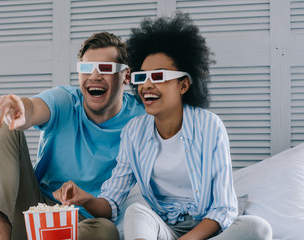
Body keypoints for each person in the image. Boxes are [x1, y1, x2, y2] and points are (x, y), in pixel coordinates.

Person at [53, 13, 273, 240]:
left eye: (158, 76)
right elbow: (112, 202)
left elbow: (223, 209)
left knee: (258, 228)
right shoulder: (134, 132)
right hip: (163, 230)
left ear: (184, 85)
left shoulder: (209, 126)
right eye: (142, 77)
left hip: (207, 231)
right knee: (136, 212)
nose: (147, 85)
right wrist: (86, 198)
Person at [0, 32, 146, 240]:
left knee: (106, 232)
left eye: (105, 68)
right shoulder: (65, 100)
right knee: (4, 126)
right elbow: (32, 109)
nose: (94, 76)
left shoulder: (143, 115)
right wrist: (20, 109)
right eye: (86, 68)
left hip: (83, 223)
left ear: (127, 76)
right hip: (34, 212)